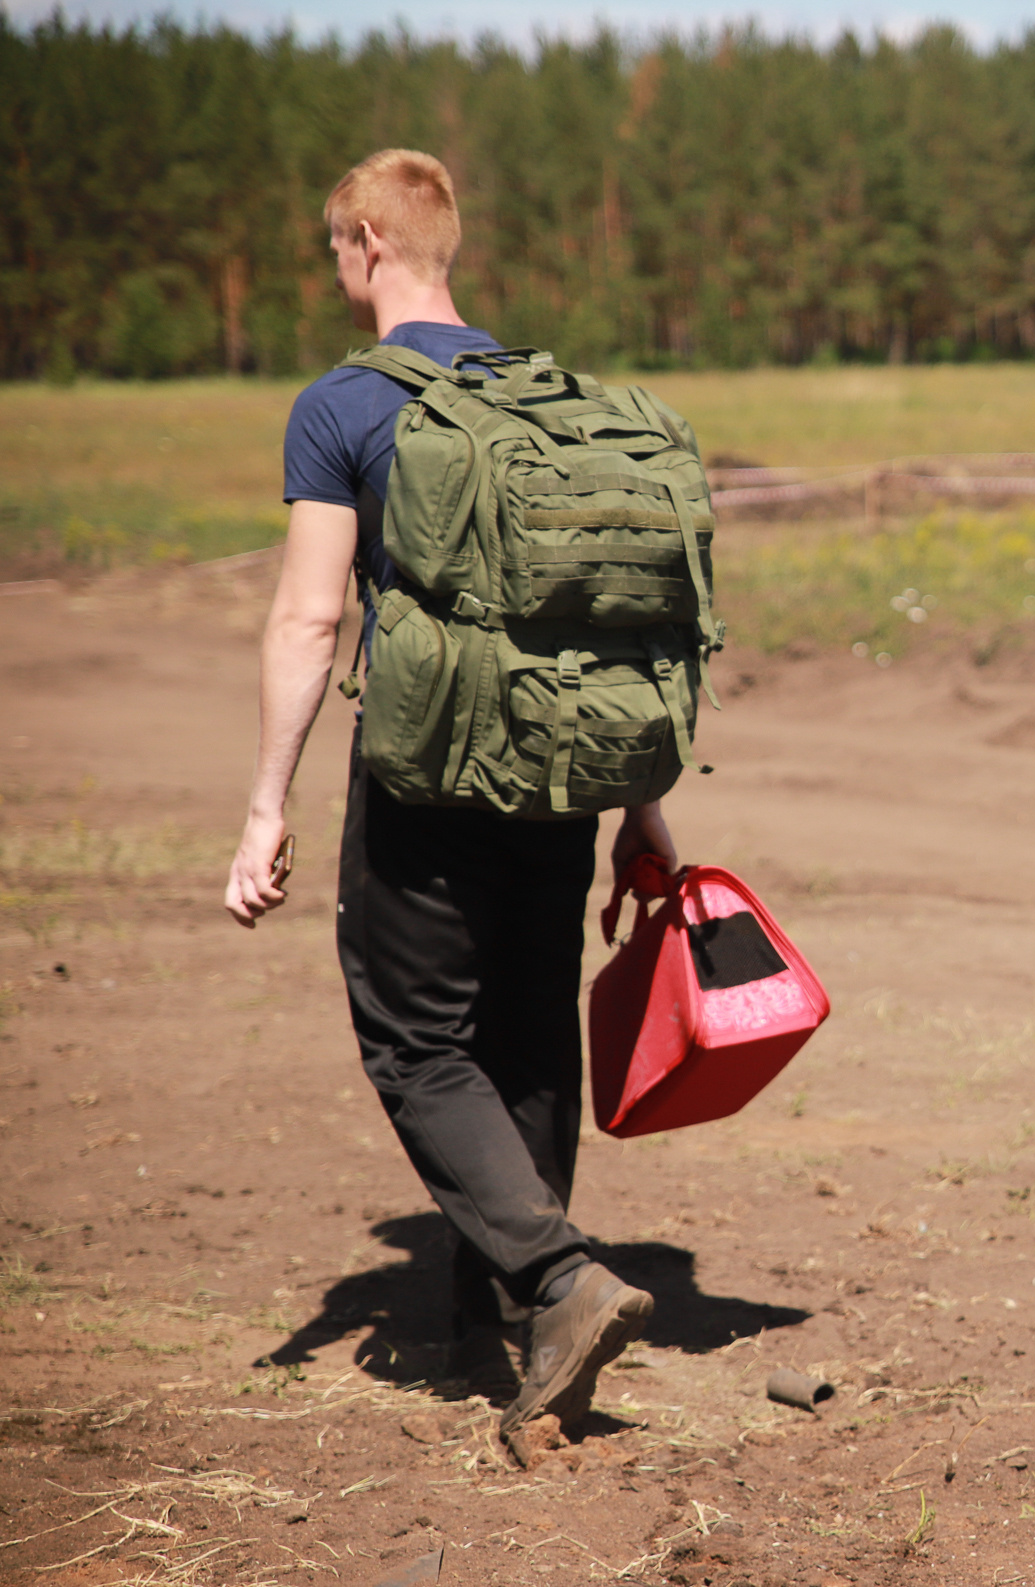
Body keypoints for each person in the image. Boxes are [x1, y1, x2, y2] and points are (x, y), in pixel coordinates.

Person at [222, 149, 666, 1445]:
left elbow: (311, 617)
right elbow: (619, 613)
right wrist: (642, 802)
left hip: (423, 762)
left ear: (369, 239)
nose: (336, 270)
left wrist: (266, 801)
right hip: (564, 766)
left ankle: (559, 1276)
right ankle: (510, 1324)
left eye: (334, 250)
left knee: (415, 1033)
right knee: (530, 1025)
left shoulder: (341, 406)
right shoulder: (552, 394)